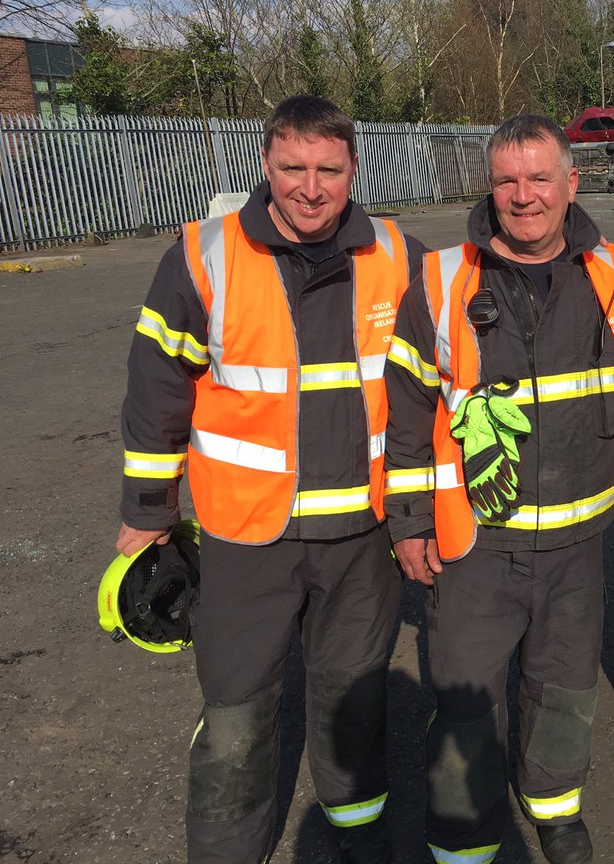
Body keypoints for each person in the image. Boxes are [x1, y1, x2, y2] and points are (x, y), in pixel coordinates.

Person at [117, 95, 426, 864]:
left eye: (329, 170)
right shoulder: (204, 256)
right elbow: (157, 386)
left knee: (355, 705)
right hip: (246, 537)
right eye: (293, 168)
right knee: (237, 715)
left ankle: (360, 842)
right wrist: (149, 510)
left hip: (361, 536)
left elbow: (456, 362)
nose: (311, 189)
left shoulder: (400, 256)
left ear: (354, 169)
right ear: (265, 163)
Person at [384, 113, 614, 864]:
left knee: (562, 686)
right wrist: (409, 522)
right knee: (467, 697)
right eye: (507, 180)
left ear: (573, 183)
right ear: (489, 186)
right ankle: (464, 836)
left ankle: (553, 805)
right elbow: (405, 411)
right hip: (477, 542)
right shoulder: (440, 281)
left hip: (579, 540)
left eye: (540, 178)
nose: (524, 196)